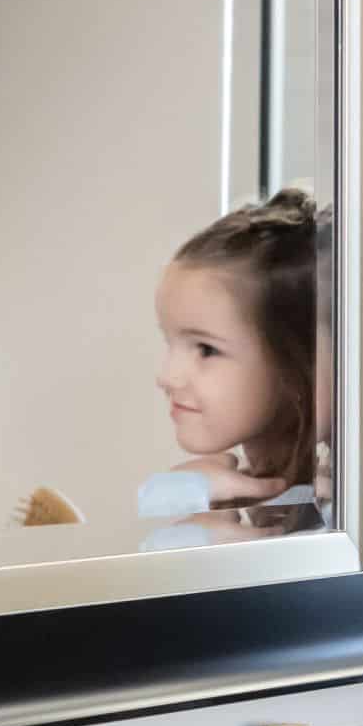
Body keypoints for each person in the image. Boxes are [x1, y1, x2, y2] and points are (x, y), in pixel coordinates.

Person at [142, 188, 325, 532]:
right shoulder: (253, 497)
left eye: (206, 349)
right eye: (171, 342)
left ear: (300, 362)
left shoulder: (332, 520)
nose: (166, 376)